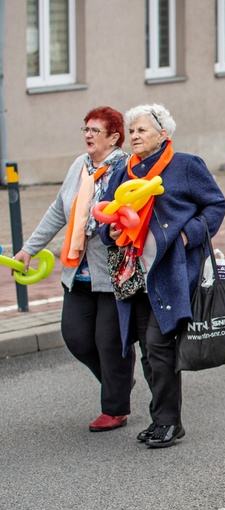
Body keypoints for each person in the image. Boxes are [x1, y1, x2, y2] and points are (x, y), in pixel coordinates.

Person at [99, 103, 225, 447]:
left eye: (142, 130)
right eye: (132, 131)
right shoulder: (123, 171)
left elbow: (215, 204)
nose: (134, 136)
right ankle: (160, 419)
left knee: (159, 344)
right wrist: (108, 234)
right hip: (133, 273)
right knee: (146, 348)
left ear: (163, 134)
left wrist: (189, 236)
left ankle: (170, 422)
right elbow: (106, 217)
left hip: (170, 271)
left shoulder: (186, 166)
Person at [14, 107, 136, 432]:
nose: (88, 135)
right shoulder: (79, 167)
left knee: (109, 342)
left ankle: (115, 405)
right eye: (85, 129)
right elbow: (58, 209)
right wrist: (29, 249)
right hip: (77, 271)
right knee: (77, 337)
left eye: (96, 130)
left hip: (110, 274)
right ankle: (119, 382)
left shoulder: (125, 169)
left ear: (114, 137)